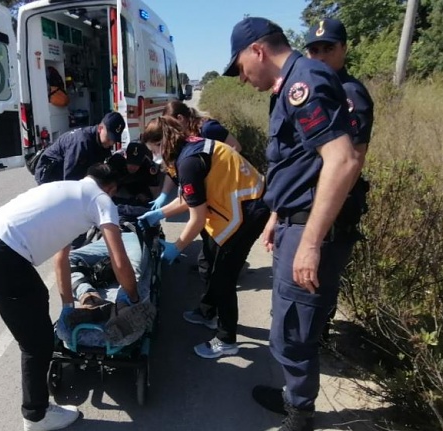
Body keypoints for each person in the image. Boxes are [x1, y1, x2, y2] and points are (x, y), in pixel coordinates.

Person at [221, 17, 364, 431]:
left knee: (294, 331)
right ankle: (292, 399)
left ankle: (300, 417)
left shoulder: (305, 83)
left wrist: (311, 242)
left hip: (310, 228)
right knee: (287, 321)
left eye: (241, 68)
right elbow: (298, 164)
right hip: (294, 221)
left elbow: (343, 160)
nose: (243, 79)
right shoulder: (291, 85)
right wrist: (277, 217)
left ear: (258, 51)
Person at [0, 163, 139, 431]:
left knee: (36, 301)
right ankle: (36, 415)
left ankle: (37, 407)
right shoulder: (102, 199)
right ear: (112, 188)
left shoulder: (68, 188)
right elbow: (119, 260)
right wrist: (133, 296)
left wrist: (69, 307)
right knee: (36, 342)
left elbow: (62, 257)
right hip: (4, 257)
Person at [137, 116, 269, 359]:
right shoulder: (188, 148)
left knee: (224, 276)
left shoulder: (188, 162)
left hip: (247, 211)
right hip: (233, 206)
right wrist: (159, 213)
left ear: (163, 143)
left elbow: (196, 218)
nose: (154, 154)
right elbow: (192, 197)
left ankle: (226, 339)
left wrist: (177, 246)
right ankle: (208, 312)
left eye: (154, 149)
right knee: (207, 260)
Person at [304, 18, 374, 341]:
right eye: (313, 49)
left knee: (318, 289)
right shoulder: (314, 90)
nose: (319, 56)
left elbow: (351, 162)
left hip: (333, 209)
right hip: (311, 203)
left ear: (344, 49)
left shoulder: (350, 94)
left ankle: (312, 356)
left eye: (327, 48)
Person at [156, 100, 244, 284]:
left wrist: (213, 176)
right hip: (211, 190)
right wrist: (163, 196)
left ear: (180, 118)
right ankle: (211, 266)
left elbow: (235, 148)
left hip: (231, 189)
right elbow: (172, 170)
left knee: (219, 232)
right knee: (208, 232)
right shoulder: (184, 137)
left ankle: (219, 273)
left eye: (170, 123)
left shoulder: (208, 129)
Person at [34, 111, 126, 185]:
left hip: (70, 170)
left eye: (114, 139)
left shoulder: (101, 142)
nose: (111, 142)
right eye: (109, 138)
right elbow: (70, 180)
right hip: (50, 173)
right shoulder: (81, 143)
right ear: (100, 128)